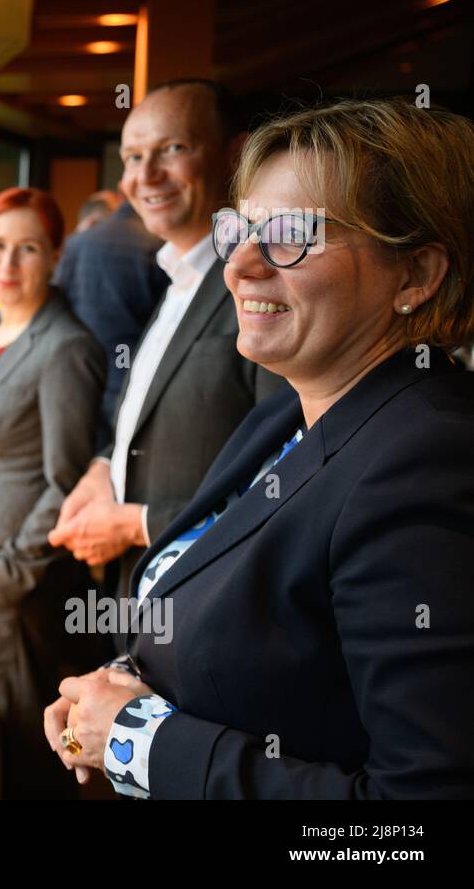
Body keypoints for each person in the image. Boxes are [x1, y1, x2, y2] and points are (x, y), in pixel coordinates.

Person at [45, 98, 474, 798]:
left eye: (289, 234)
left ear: (416, 273)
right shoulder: (279, 420)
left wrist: (136, 740)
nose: (239, 265)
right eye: (239, 230)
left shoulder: (429, 461)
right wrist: (117, 690)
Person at [48, 79, 285, 598]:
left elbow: (285, 479)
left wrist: (135, 525)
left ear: (234, 154)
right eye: (132, 157)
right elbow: (147, 413)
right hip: (137, 595)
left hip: (208, 598)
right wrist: (102, 468)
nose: (145, 176)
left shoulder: (263, 285)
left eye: (173, 149)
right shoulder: (176, 275)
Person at [0, 187, 106, 798]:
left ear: (56, 256)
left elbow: (65, 483)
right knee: (5, 728)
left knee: (29, 742)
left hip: (21, 583)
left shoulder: (66, 347)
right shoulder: (0, 322)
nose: (7, 266)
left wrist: (5, 576)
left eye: (28, 249)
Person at [52, 192, 170, 443]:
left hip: (75, 383)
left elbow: (56, 310)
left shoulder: (74, 245)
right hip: (136, 385)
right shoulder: (161, 247)